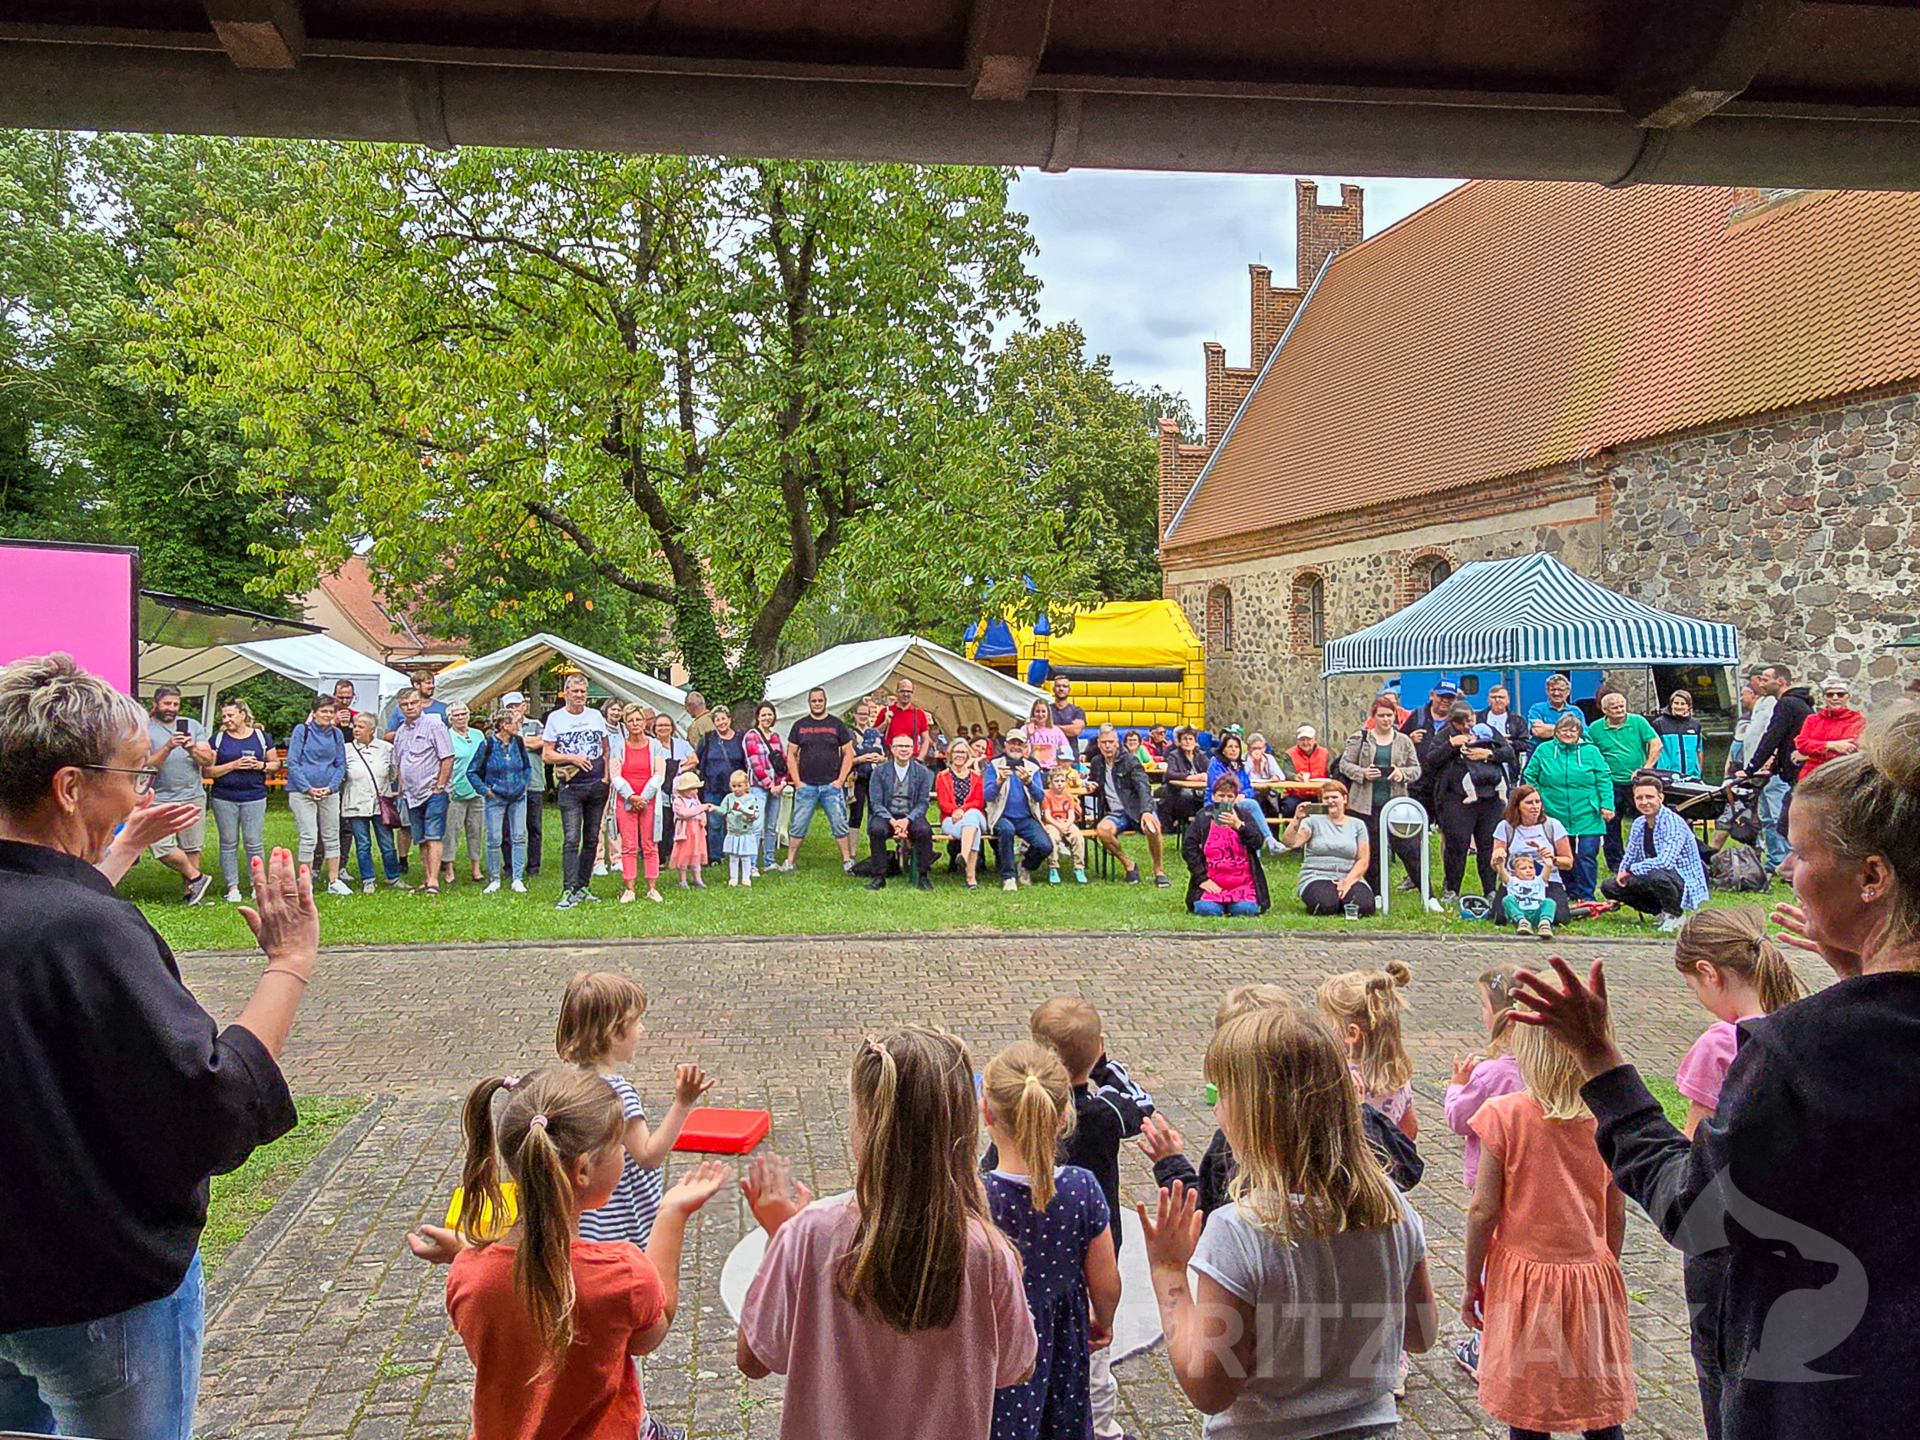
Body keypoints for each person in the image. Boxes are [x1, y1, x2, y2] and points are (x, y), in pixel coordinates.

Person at [1511, 702, 1920, 1440]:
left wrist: (1602, 1065)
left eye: (1800, 854)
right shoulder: (1842, 1033)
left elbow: (1697, 1213)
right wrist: (1860, 970)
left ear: (1871, 876)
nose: (1787, 871)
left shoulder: (1800, 1053)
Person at [0, 652, 318, 1440]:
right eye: (134, 775)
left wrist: (116, 853)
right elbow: (208, 1105)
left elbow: (36, 933)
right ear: (71, 787)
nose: (143, 792)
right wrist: (289, 965)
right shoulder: (87, 930)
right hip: (94, 1291)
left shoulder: (53, 915)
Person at [1138, 1004, 1435, 1437]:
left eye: (1220, 1094)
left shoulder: (1239, 1233)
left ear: (1257, 1111)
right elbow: (1421, 1336)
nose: (1216, 1108)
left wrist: (1169, 1272)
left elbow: (1210, 1390)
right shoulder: (1394, 1209)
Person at [736, 1030, 1038, 1439]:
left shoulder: (807, 1234)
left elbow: (753, 1360)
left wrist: (779, 1240)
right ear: (963, 1128)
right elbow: (1018, 1367)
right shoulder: (987, 1252)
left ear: (864, 1125)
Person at [410, 1067, 728, 1440]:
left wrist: (467, 1252)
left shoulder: (467, 1275)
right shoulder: (622, 1273)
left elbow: (519, 1279)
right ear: (582, 1170)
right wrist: (672, 1215)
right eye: (618, 1146)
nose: (625, 1153)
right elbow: (649, 1335)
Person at [1462, 1019, 1635, 1440]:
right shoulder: (1606, 1120)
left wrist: (1472, 1282)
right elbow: (1616, 1208)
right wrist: (1607, 1261)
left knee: (1527, 1407)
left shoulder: (1504, 1116)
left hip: (1525, 1284)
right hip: (1589, 1276)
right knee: (1599, 1405)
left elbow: (1483, 1209)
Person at [1667, 909, 1805, 1437]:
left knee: (1720, 1372)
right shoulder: (1800, 1024)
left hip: (1721, 1241)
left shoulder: (1719, 1044)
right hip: (1791, 1234)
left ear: (1710, 973)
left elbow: (1693, 1153)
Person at [1015, 997, 1154, 1440]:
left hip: (1030, 1247)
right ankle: (1097, 1428)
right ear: (1095, 1051)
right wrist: (1103, 1064)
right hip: (1095, 1244)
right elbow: (1142, 1105)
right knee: (1092, 1342)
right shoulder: (1103, 1111)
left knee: (1035, 1335)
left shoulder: (1021, 1108)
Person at [978, 1042, 1121, 1440]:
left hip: (996, 1345)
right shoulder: (1081, 1188)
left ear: (986, 1113)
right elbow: (1105, 1280)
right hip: (1061, 1340)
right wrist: (1102, 1322)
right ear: (1062, 1118)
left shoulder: (973, 1196)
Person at [554, 972, 715, 1248]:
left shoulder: (568, 1085)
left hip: (586, 1226)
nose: (641, 1030)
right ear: (614, 1034)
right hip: (624, 1229)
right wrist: (683, 1103)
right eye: (636, 1022)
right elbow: (649, 1155)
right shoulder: (617, 1094)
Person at [1422, 706, 1514, 904]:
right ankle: (1452, 888)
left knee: (1488, 844)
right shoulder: (1444, 736)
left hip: (1490, 798)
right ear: (1452, 722)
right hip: (1457, 799)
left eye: (1469, 721)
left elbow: (1509, 753)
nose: (1466, 726)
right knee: (1457, 845)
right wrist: (1450, 745)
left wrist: (1488, 754)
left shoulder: (1486, 729)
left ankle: (1490, 889)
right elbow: (1430, 761)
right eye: (1460, 723)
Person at [1600, 771, 1709, 932]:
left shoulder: (1673, 823)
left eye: (1649, 797)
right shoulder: (1638, 823)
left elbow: (1665, 862)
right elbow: (1630, 856)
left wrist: (1630, 871)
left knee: (1657, 875)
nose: (1645, 802)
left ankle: (1676, 915)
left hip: (1681, 878)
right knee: (1609, 886)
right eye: (1639, 798)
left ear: (1661, 798)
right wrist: (1622, 874)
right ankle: (1661, 912)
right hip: (1653, 876)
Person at [1340, 693, 1426, 898]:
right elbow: (1345, 764)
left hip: (1396, 805)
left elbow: (1416, 770)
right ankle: (1377, 894)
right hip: (1365, 806)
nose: (1386, 720)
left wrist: (1401, 773)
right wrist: (1362, 773)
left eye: (1390, 715)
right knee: (1372, 852)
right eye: (1382, 716)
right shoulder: (1360, 738)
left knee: (1410, 850)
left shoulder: (1404, 741)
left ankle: (1427, 894)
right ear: (1374, 717)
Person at [1320, 962, 1418, 1139]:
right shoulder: (1398, 1076)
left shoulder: (1338, 1077)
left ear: (1352, 1033)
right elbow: (1409, 1129)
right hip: (1386, 1164)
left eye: (1327, 1019)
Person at [1522, 712, 1612, 901]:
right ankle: (1571, 891)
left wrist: (1606, 804)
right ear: (1556, 732)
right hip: (1555, 811)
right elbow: (1529, 776)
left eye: (1573, 730)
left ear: (1580, 732)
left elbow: (1604, 778)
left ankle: (1587, 896)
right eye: (1564, 730)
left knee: (1587, 853)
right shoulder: (1544, 750)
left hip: (1588, 812)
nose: (1569, 734)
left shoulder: (1591, 751)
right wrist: (1539, 801)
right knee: (1564, 853)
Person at [541, 674, 611, 909]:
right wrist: (571, 757)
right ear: (566, 693)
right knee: (572, 839)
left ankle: (583, 885)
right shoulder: (556, 719)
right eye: (575, 691)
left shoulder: (595, 716)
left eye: (583, 691)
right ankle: (568, 889)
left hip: (596, 786)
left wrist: (606, 777)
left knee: (592, 838)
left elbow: (605, 748)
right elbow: (547, 754)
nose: (580, 695)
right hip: (571, 787)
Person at [141, 685, 215, 904]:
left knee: (192, 846)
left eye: (175, 704)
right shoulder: (145, 728)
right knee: (160, 846)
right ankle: (197, 877)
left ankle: (192, 895)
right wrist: (168, 747)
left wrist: (192, 748)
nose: (171, 709)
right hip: (159, 798)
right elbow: (145, 765)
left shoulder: (192, 725)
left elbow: (208, 761)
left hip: (192, 795)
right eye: (167, 704)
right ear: (156, 704)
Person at [1739, 663, 1812, 872]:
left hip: (1798, 772)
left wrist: (1751, 768)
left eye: (1765, 679)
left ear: (1780, 682)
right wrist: (1775, 763)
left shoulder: (1787, 703)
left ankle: (1793, 866)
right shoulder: (1796, 703)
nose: (1761, 683)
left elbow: (1773, 736)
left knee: (1784, 822)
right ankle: (1784, 864)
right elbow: (1785, 739)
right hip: (1789, 770)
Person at [207, 696, 279, 902]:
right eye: (223, 716)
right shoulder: (218, 740)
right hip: (224, 797)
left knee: (254, 843)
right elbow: (209, 770)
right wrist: (233, 765)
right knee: (228, 843)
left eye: (230, 715)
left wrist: (261, 766)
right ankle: (233, 887)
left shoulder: (261, 737)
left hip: (254, 796)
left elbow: (275, 764)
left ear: (243, 715)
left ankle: (258, 885)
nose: (226, 720)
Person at [1085, 723, 1171, 887]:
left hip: (1137, 809)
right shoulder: (1097, 762)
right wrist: (1092, 785)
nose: (1107, 746)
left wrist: (1146, 811)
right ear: (1099, 744)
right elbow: (1095, 782)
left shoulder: (1131, 761)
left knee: (1152, 827)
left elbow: (1143, 786)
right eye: (1104, 743)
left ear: (1117, 742)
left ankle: (1159, 871)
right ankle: (1129, 865)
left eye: (1111, 742)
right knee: (1103, 831)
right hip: (1116, 813)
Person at [783, 688, 856, 874]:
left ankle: (847, 860)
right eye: (813, 701)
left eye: (820, 700)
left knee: (839, 823)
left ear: (825, 701)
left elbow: (849, 753)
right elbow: (791, 754)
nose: (817, 703)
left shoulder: (836, 725)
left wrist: (840, 780)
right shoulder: (800, 725)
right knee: (798, 824)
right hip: (806, 785)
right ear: (809, 703)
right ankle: (790, 861)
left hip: (831, 785)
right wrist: (797, 781)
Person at [392, 686, 456, 898]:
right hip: (411, 794)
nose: (409, 708)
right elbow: (400, 761)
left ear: (420, 703)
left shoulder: (435, 725)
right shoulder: (401, 731)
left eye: (413, 703)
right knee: (420, 838)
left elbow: (447, 756)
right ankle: (427, 877)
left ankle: (434, 881)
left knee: (433, 835)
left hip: (433, 791)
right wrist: (401, 785)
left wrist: (440, 786)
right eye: (404, 705)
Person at [1588, 689, 1662, 873]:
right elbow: (1589, 752)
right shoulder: (1595, 728)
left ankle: (1647, 857)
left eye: (1622, 706)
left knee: (1644, 820)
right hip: (1610, 782)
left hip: (1637, 782)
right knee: (1611, 823)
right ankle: (1616, 865)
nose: (1620, 710)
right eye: (1614, 707)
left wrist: (1646, 768)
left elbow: (1656, 743)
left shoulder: (1637, 721)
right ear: (1605, 710)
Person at [286, 694, 353, 897]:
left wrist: (331, 787)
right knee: (309, 837)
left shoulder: (336, 735)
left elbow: (341, 764)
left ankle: (334, 880)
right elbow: (293, 762)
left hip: (329, 792)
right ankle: (305, 882)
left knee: (332, 836)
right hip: (301, 792)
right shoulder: (302, 731)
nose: (327, 715)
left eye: (330, 712)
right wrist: (308, 788)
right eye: (323, 711)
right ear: (314, 713)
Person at [1285, 778, 1375, 917]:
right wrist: (1297, 819)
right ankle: (1332, 898)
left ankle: (1342, 897)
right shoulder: (1312, 821)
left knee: (1363, 907)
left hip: (1348, 874)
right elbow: (1291, 843)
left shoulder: (1358, 825)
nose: (1331, 801)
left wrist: (1346, 883)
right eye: (1326, 798)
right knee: (1325, 906)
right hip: (1317, 875)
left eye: (1335, 797)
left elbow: (1362, 860)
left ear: (1344, 799)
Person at [1490, 784, 1573, 931]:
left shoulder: (1553, 825)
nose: (1535, 807)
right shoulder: (1505, 827)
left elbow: (1568, 862)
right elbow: (1494, 863)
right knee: (1499, 917)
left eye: (1538, 802)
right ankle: (1523, 918)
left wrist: (1552, 859)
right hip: (1515, 882)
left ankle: (1540, 915)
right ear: (1517, 806)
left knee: (1560, 919)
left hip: (1547, 880)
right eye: (1529, 803)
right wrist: (1498, 858)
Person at [1182, 775, 1267, 916]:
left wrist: (1239, 826)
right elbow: (1189, 849)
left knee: (1245, 910)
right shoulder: (1203, 817)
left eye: (1229, 796)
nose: (1225, 800)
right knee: (1208, 910)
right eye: (1221, 796)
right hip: (1212, 879)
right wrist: (1202, 879)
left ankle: (1236, 903)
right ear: (1214, 796)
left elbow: (1258, 842)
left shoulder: (1244, 816)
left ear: (1235, 798)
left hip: (1242, 882)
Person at [468, 707, 531, 895]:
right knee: (493, 839)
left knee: (519, 836)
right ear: (503, 725)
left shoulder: (518, 743)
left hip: (518, 797)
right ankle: (494, 878)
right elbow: (472, 771)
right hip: (495, 798)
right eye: (515, 723)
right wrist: (485, 790)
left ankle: (517, 878)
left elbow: (527, 767)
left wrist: (523, 784)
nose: (519, 726)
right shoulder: (487, 745)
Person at [608, 706, 668, 905]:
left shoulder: (655, 746)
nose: (635, 724)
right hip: (625, 801)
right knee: (629, 846)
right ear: (625, 724)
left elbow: (659, 773)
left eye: (638, 720)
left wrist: (643, 797)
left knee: (650, 845)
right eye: (630, 720)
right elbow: (615, 775)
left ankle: (652, 887)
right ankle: (629, 888)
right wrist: (630, 797)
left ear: (644, 722)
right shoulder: (618, 746)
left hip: (649, 800)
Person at [343, 712, 406, 892]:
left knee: (387, 843)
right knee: (363, 844)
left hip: (381, 803)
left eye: (360, 726)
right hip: (355, 802)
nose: (356, 729)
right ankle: (367, 879)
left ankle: (393, 877)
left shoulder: (386, 748)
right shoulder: (346, 749)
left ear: (372, 730)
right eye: (355, 726)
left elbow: (392, 773)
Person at [863, 732, 935, 892]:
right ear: (892, 749)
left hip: (911, 814)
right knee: (876, 830)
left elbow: (923, 803)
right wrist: (892, 821)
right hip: (886, 814)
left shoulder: (922, 772)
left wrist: (907, 820)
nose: (904, 749)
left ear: (913, 749)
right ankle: (879, 876)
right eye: (900, 746)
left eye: (908, 746)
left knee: (924, 831)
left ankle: (923, 875)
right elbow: (875, 802)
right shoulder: (880, 771)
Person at [984, 729, 1053, 892]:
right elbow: (987, 795)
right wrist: (999, 781)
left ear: (1025, 747)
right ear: (1005, 745)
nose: (1015, 747)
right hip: (1001, 815)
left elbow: (1040, 797)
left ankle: (1025, 865)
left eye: (1019, 744)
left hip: (1026, 817)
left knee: (1045, 846)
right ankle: (1008, 877)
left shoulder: (1033, 767)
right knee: (1006, 830)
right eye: (1012, 743)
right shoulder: (994, 764)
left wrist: (1029, 782)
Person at [497, 691, 544, 881]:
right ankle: (509, 866)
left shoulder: (536, 725)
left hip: (534, 783)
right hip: (508, 785)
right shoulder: (500, 727)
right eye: (509, 707)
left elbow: (544, 742)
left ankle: (533, 866)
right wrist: (529, 743)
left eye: (516, 705)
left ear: (524, 706)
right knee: (506, 829)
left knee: (534, 827)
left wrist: (516, 741)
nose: (514, 709)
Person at [442, 701, 487, 887]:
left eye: (463, 714)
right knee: (451, 831)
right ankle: (449, 867)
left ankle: (476, 867)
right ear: (450, 718)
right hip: (455, 790)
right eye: (456, 715)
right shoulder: (446, 736)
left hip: (477, 789)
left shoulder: (478, 735)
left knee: (476, 829)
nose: (460, 718)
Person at [743, 701, 790, 877]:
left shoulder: (776, 737)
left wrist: (782, 783)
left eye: (769, 715)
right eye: (763, 715)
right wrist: (770, 786)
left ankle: (769, 861)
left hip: (776, 787)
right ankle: (752, 864)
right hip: (759, 787)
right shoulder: (751, 736)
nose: (767, 718)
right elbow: (755, 764)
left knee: (771, 826)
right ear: (758, 717)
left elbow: (782, 763)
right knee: (756, 825)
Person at [934, 735, 987, 889]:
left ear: (968, 755)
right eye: (956, 752)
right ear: (950, 755)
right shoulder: (942, 777)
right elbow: (943, 802)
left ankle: (963, 855)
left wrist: (962, 810)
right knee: (973, 830)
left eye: (963, 752)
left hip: (974, 815)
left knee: (972, 816)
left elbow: (978, 801)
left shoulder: (976, 777)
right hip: (951, 819)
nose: (959, 755)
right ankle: (971, 879)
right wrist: (955, 812)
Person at [1792, 675, 1865, 778]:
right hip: (1810, 776)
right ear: (1824, 698)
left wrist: (1811, 754)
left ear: (1847, 697)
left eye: (1840, 694)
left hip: (1840, 776)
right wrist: (1832, 745)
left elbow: (1850, 750)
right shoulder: (1812, 720)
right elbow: (1802, 744)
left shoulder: (1857, 720)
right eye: (1830, 695)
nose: (1835, 698)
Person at [1039, 764, 1087, 886]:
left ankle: (1079, 867)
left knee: (1078, 836)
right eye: (1056, 781)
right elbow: (1047, 816)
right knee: (1052, 837)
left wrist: (1067, 824)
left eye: (1062, 781)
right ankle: (1053, 867)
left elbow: (1071, 814)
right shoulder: (1047, 796)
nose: (1059, 784)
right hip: (1052, 823)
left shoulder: (1068, 796)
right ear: (1050, 782)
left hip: (1067, 822)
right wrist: (1059, 826)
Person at [1156, 724, 1210, 832]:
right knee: (1187, 795)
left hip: (1200, 789)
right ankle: (1186, 825)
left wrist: (1206, 775)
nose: (1188, 742)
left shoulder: (1201, 755)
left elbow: (1210, 769)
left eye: (1191, 739)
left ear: (1195, 742)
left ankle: (1204, 824)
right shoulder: (1174, 755)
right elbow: (1170, 774)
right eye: (1185, 739)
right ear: (1179, 742)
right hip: (1177, 791)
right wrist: (1191, 777)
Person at [846, 698, 886, 839]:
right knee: (856, 814)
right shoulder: (849, 734)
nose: (863, 717)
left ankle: (874, 847)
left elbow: (886, 756)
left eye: (866, 714)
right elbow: (845, 758)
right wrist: (861, 759)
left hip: (875, 779)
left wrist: (881, 759)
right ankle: (851, 854)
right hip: (858, 778)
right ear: (855, 715)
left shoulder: (875, 735)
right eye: (860, 714)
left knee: (875, 812)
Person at [716, 771, 763, 886]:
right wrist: (713, 808)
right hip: (733, 832)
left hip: (745, 832)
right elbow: (723, 810)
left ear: (746, 785)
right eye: (734, 786)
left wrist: (751, 816)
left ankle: (746, 878)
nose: (736, 789)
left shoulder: (751, 799)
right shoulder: (729, 798)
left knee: (745, 856)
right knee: (733, 856)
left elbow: (756, 813)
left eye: (739, 786)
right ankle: (733, 878)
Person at [873, 677, 934, 763]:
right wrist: (885, 723)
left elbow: (925, 740)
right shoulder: (886, 711)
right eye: (902, 691)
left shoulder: (919, 714)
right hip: (890, 759)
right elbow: (874, 734)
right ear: (897, 692)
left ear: (913, 693)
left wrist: (919, 759)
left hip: (912, 759)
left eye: (909, 691)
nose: (906, 694)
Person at [668, 772, 710, 890]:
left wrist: (703, 818)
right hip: (686, 832)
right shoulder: (678, 801)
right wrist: (701, 808)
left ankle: (698, 878)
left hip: (697, 830)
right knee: (684, 855)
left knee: (696, 853)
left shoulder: (695, 799)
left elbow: (700, 812)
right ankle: (683, 879)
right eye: (692, 789)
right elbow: (684, 814)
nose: (695, 792)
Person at [1278, 724, 1327, 818]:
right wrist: (1296, 777)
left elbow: (1328, 773)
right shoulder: (1289, 754)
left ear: (1315, 739)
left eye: (1308, 739)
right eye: (1302, 740)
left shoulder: (1325, 753)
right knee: (1289, 807)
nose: (1305, 743)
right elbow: (1286, 772)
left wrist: (1310, 776)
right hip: (1296, 794)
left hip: (1318, 794)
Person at [1654, 688, 1704, 778]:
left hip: (1691, 775)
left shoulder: (1695, 724)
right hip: (1666, 775)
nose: (1679, 707)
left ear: (1689, 706)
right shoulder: (1659, 723)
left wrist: (1699, 771)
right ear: (1671, 704)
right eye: (1676, 703)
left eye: (1683, 704)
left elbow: (1699, 750)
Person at [1481, 683, 1532, 771]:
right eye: (1493, 697)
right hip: (1483, 764)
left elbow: (1525, 744)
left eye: (1501, 697)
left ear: (1508, 700)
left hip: (1509, 765)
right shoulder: (1479, 718)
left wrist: (1509, 742)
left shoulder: (1518, 721)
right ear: (1488, 700)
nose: (1497, 700)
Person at [1502, 851, 1552, 934]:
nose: (1528, 871)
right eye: (1523, 869)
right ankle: (1522, 922)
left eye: (1531, 868)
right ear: (1515, 872)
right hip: (1520, 911)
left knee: (1550, 902)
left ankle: (1544, 924)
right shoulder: (1512, 881)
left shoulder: (1540, 880)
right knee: (1507, 899)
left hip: (1536, 912)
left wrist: (1548, 863)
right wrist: (1500, 864)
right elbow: (1502, 872)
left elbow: (1548, 867)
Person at [1526, 672, 1582, 743]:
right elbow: (1537, 731)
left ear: (1568, 692)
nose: (1556, 693)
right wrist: (1568, 730)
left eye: (1560, 690)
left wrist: (1547, 728)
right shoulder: (1537, 709)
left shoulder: (1575, 711)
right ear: (1547, 691)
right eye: (1553, 690)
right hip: (1543, 751)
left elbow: (1582, 734)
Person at [1047, 675, 1088, 759]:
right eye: (1058, 686)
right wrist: (1068, 728)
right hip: (1049, 757)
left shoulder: (1077, 711)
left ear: (1069, 690)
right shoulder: (1046, 710)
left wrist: (1052, 727)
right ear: (1053, 689)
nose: (1061, 688)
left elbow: (1075, 730)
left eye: (1064, 686)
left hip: (1072, 757)